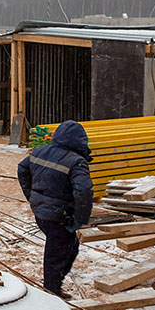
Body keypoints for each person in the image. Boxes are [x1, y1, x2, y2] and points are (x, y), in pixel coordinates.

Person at [16, 120, 94, 299]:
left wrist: (32, 196)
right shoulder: (77, 162)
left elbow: (22, 168)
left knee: (69, 247)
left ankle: (53, 286)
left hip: (42, 213)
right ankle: (51, 294)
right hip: (59, 215)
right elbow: (84, 191)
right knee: (57, 253)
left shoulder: (41, 150)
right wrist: (80, 218)